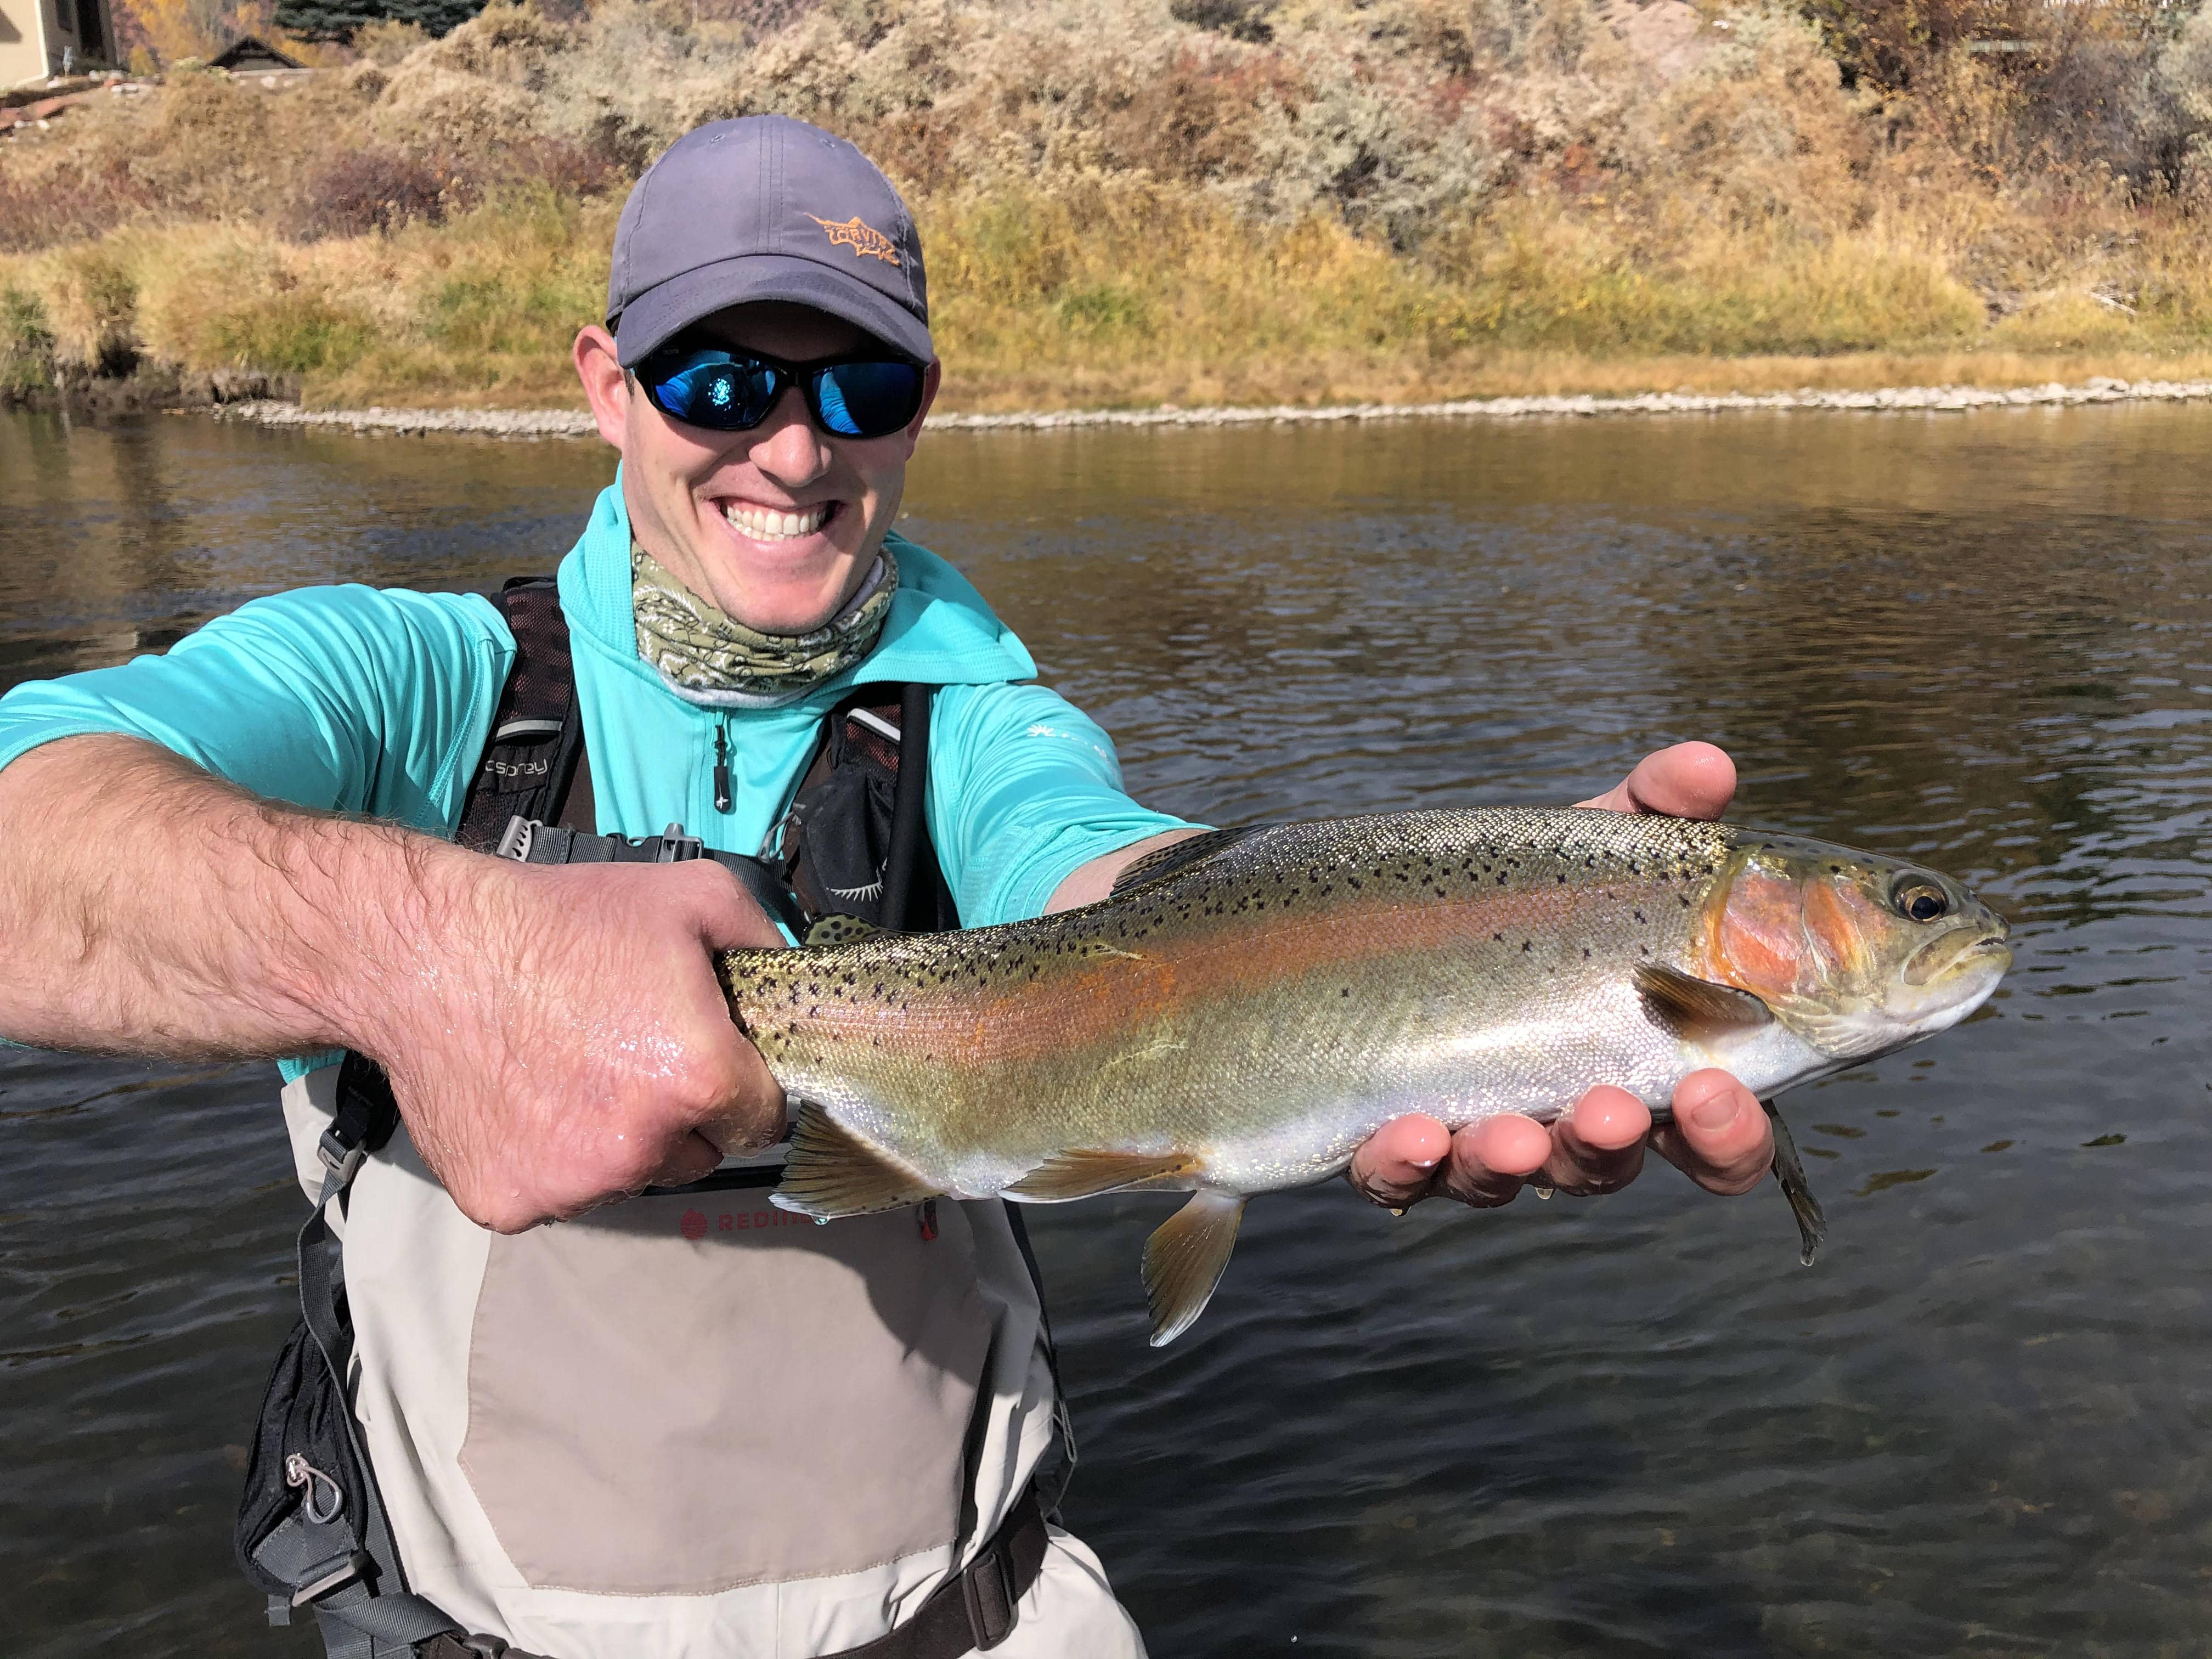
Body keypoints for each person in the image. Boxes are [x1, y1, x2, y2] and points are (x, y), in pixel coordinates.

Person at [0, 116, 1775, 1658]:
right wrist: (434, 949)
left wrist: (1459, 936)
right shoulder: (408, 687)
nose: (792, 450)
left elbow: (1118, 883)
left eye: (860, 387)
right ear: (603, 385)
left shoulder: (978, 722)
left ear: (919, 409)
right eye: (718, 380)